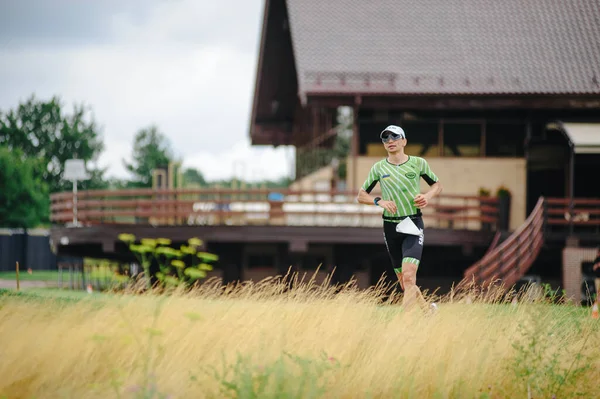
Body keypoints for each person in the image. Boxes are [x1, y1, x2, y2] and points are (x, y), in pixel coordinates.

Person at [356, 125, 443, 310]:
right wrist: (379, 201)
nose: (390, 141)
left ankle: (406, 323)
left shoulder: (418, 163)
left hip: (412, 223)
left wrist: (427, 197)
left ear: (404, 141)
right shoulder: (378, 168)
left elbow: (437, 185)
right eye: (385, 138)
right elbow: (361, 195)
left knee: (410, 276)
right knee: (405, 283)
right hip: (390, 226)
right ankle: (428, 311)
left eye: (394, 137)